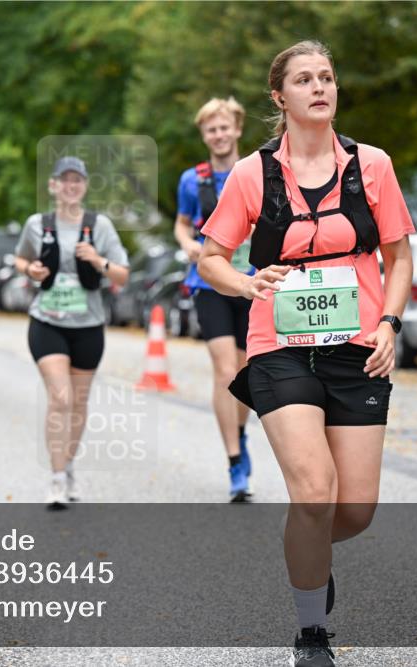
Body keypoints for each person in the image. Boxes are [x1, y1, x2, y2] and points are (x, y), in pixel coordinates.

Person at [198, 41, 414, 667]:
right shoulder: (250, 174)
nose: (319, 87)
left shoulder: (372, 165)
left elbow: (399, 257)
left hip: (356, 348)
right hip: (279, 348)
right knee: (314, 492)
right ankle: (311, 630)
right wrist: (245, 282)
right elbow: (211, 257)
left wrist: (391, 324)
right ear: (279, 96)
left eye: (326, 77)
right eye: (303, 79)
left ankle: (309, 555)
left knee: (354, 509)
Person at [14, 156, 130, 509]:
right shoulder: (38, 224)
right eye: (64, 180)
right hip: (47, 321)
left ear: (84, 185)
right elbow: (21, 259)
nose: (70, 186)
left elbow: (122, 274)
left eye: (77, 180)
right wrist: (30, 269)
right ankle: (55, 478)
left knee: (77, 403)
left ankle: (67, 465)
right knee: (61, 398)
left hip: (88, 326)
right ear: (53, 186)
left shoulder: (100, 226)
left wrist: (97, 260)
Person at [173, 96, 255, 502]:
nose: (219, 135)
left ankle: (238, 430)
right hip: (209, 286)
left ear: (237, 129)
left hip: (252, 283)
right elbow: (182, 224)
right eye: (211, 130)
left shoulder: (258, 172)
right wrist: (188, 244)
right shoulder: (193, 180)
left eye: (225, 127)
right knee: (224, 372)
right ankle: (235, 459)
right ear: (204, 135)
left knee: (245, 374)